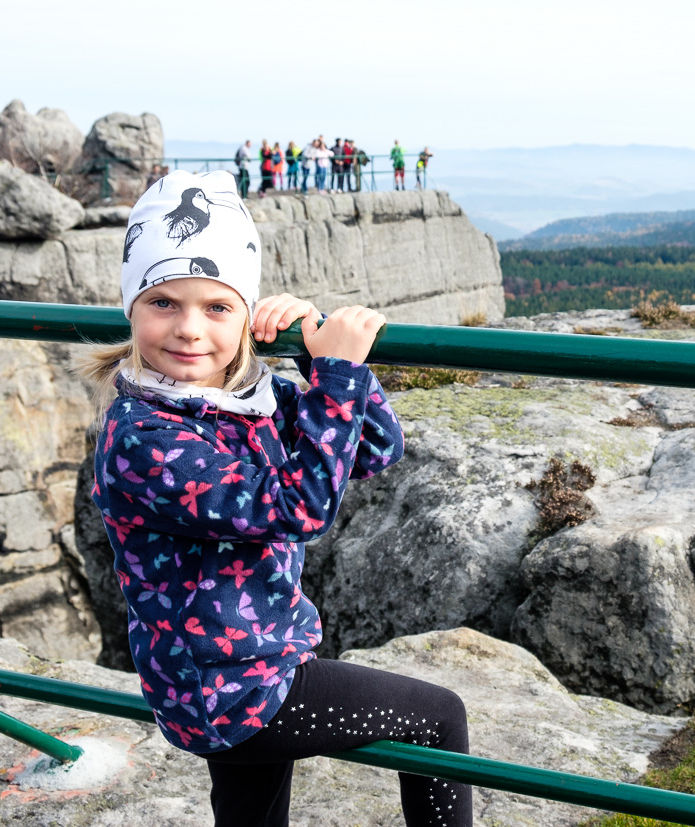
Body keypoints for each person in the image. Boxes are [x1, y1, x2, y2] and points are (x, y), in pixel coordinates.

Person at [79, 169, 472, 827]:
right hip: (241, 690)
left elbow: (375, 444)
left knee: (252, 817)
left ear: (246, 315)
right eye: (163, 302)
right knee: (439, 718)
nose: (189, 329)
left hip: (229, 668)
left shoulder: (241, 401)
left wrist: (319, 354)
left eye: (217, 307)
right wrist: (339, 372)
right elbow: (302, 507)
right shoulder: (144, 434)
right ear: (131, 306)